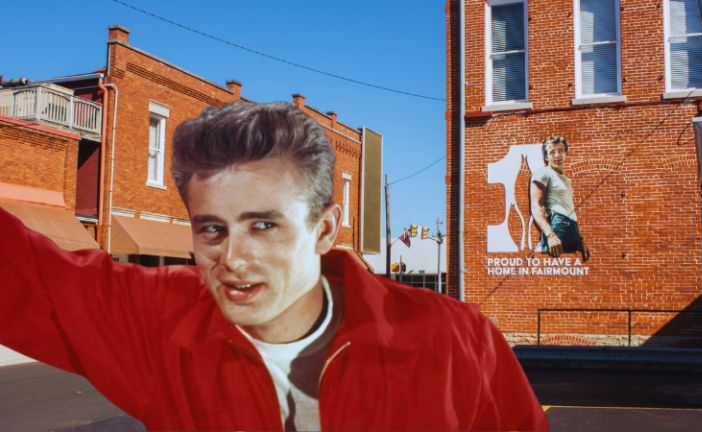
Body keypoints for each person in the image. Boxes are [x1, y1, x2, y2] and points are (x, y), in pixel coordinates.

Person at [0, 101, 549, 431]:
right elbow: (19, 271)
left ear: (326, 229)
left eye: (264, 225)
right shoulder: (158, 322)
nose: (233, 259)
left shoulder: (456, 341)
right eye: (212, 228)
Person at [530, 136, 590, 261]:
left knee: (568, 272)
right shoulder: (543, 173)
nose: (557, 155)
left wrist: (580, 240)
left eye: (561, 150)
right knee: (556, 268)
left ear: (566, 153)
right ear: (546, 157)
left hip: (571, 227)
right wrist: (551, 235)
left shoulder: (567, 180)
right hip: (557, 226)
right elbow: (535, 206)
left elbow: (569, 210)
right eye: (552, 152)